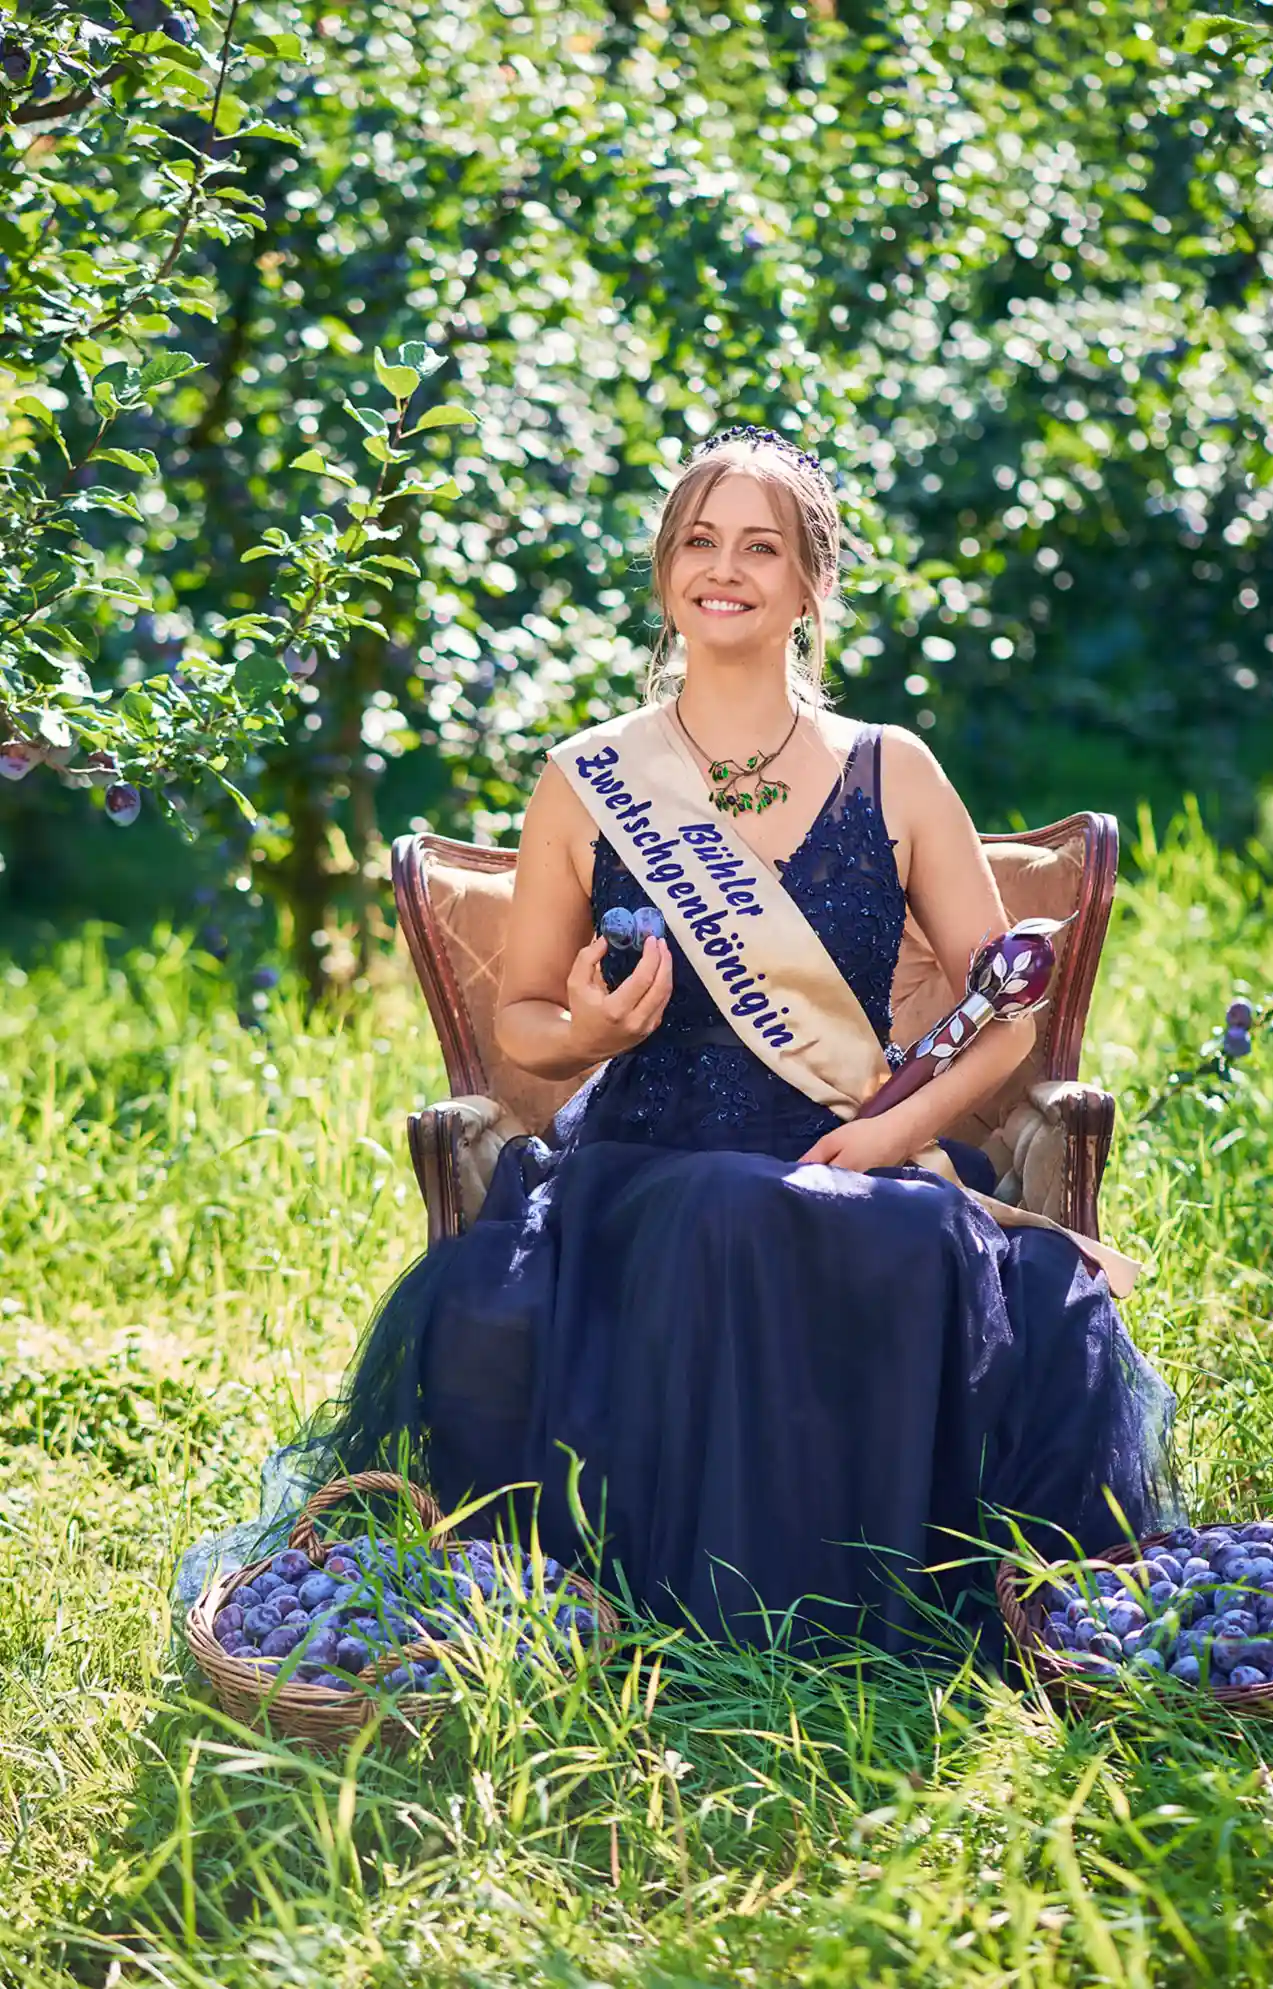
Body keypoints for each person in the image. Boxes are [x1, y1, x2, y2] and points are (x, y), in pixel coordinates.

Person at [298, 424, 1177, 1658]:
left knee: (913, 1230)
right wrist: (588, 1030)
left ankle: (869, 1623)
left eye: (761, 548)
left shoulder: (895, 771)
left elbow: (1005, 1009)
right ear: (665, 573)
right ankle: (717, 1630)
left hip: (854, 1156)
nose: (725, 568)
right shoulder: (590, 777)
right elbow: (525, 1026)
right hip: (647, 1175)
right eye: (699, 542)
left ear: (810, 585)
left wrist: (890, 1135)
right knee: (721, 1210)